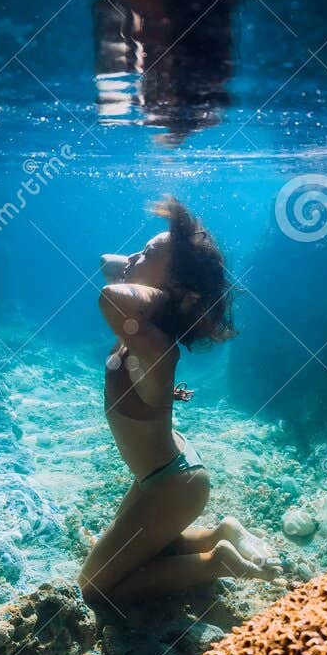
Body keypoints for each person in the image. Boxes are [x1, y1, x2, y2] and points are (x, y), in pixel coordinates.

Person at [80, 197, 281, 605]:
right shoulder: (145, 331)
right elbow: (107, 263)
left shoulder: (155, 343)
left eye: (146, 253)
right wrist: (159, 273)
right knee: (147, 549)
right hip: (162, 471)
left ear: (174, 293)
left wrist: (171, 297)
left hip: (173, 485)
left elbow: (109, 296)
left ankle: (216, 563)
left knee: (94, 588)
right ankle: (220, 533)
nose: (132, 257)